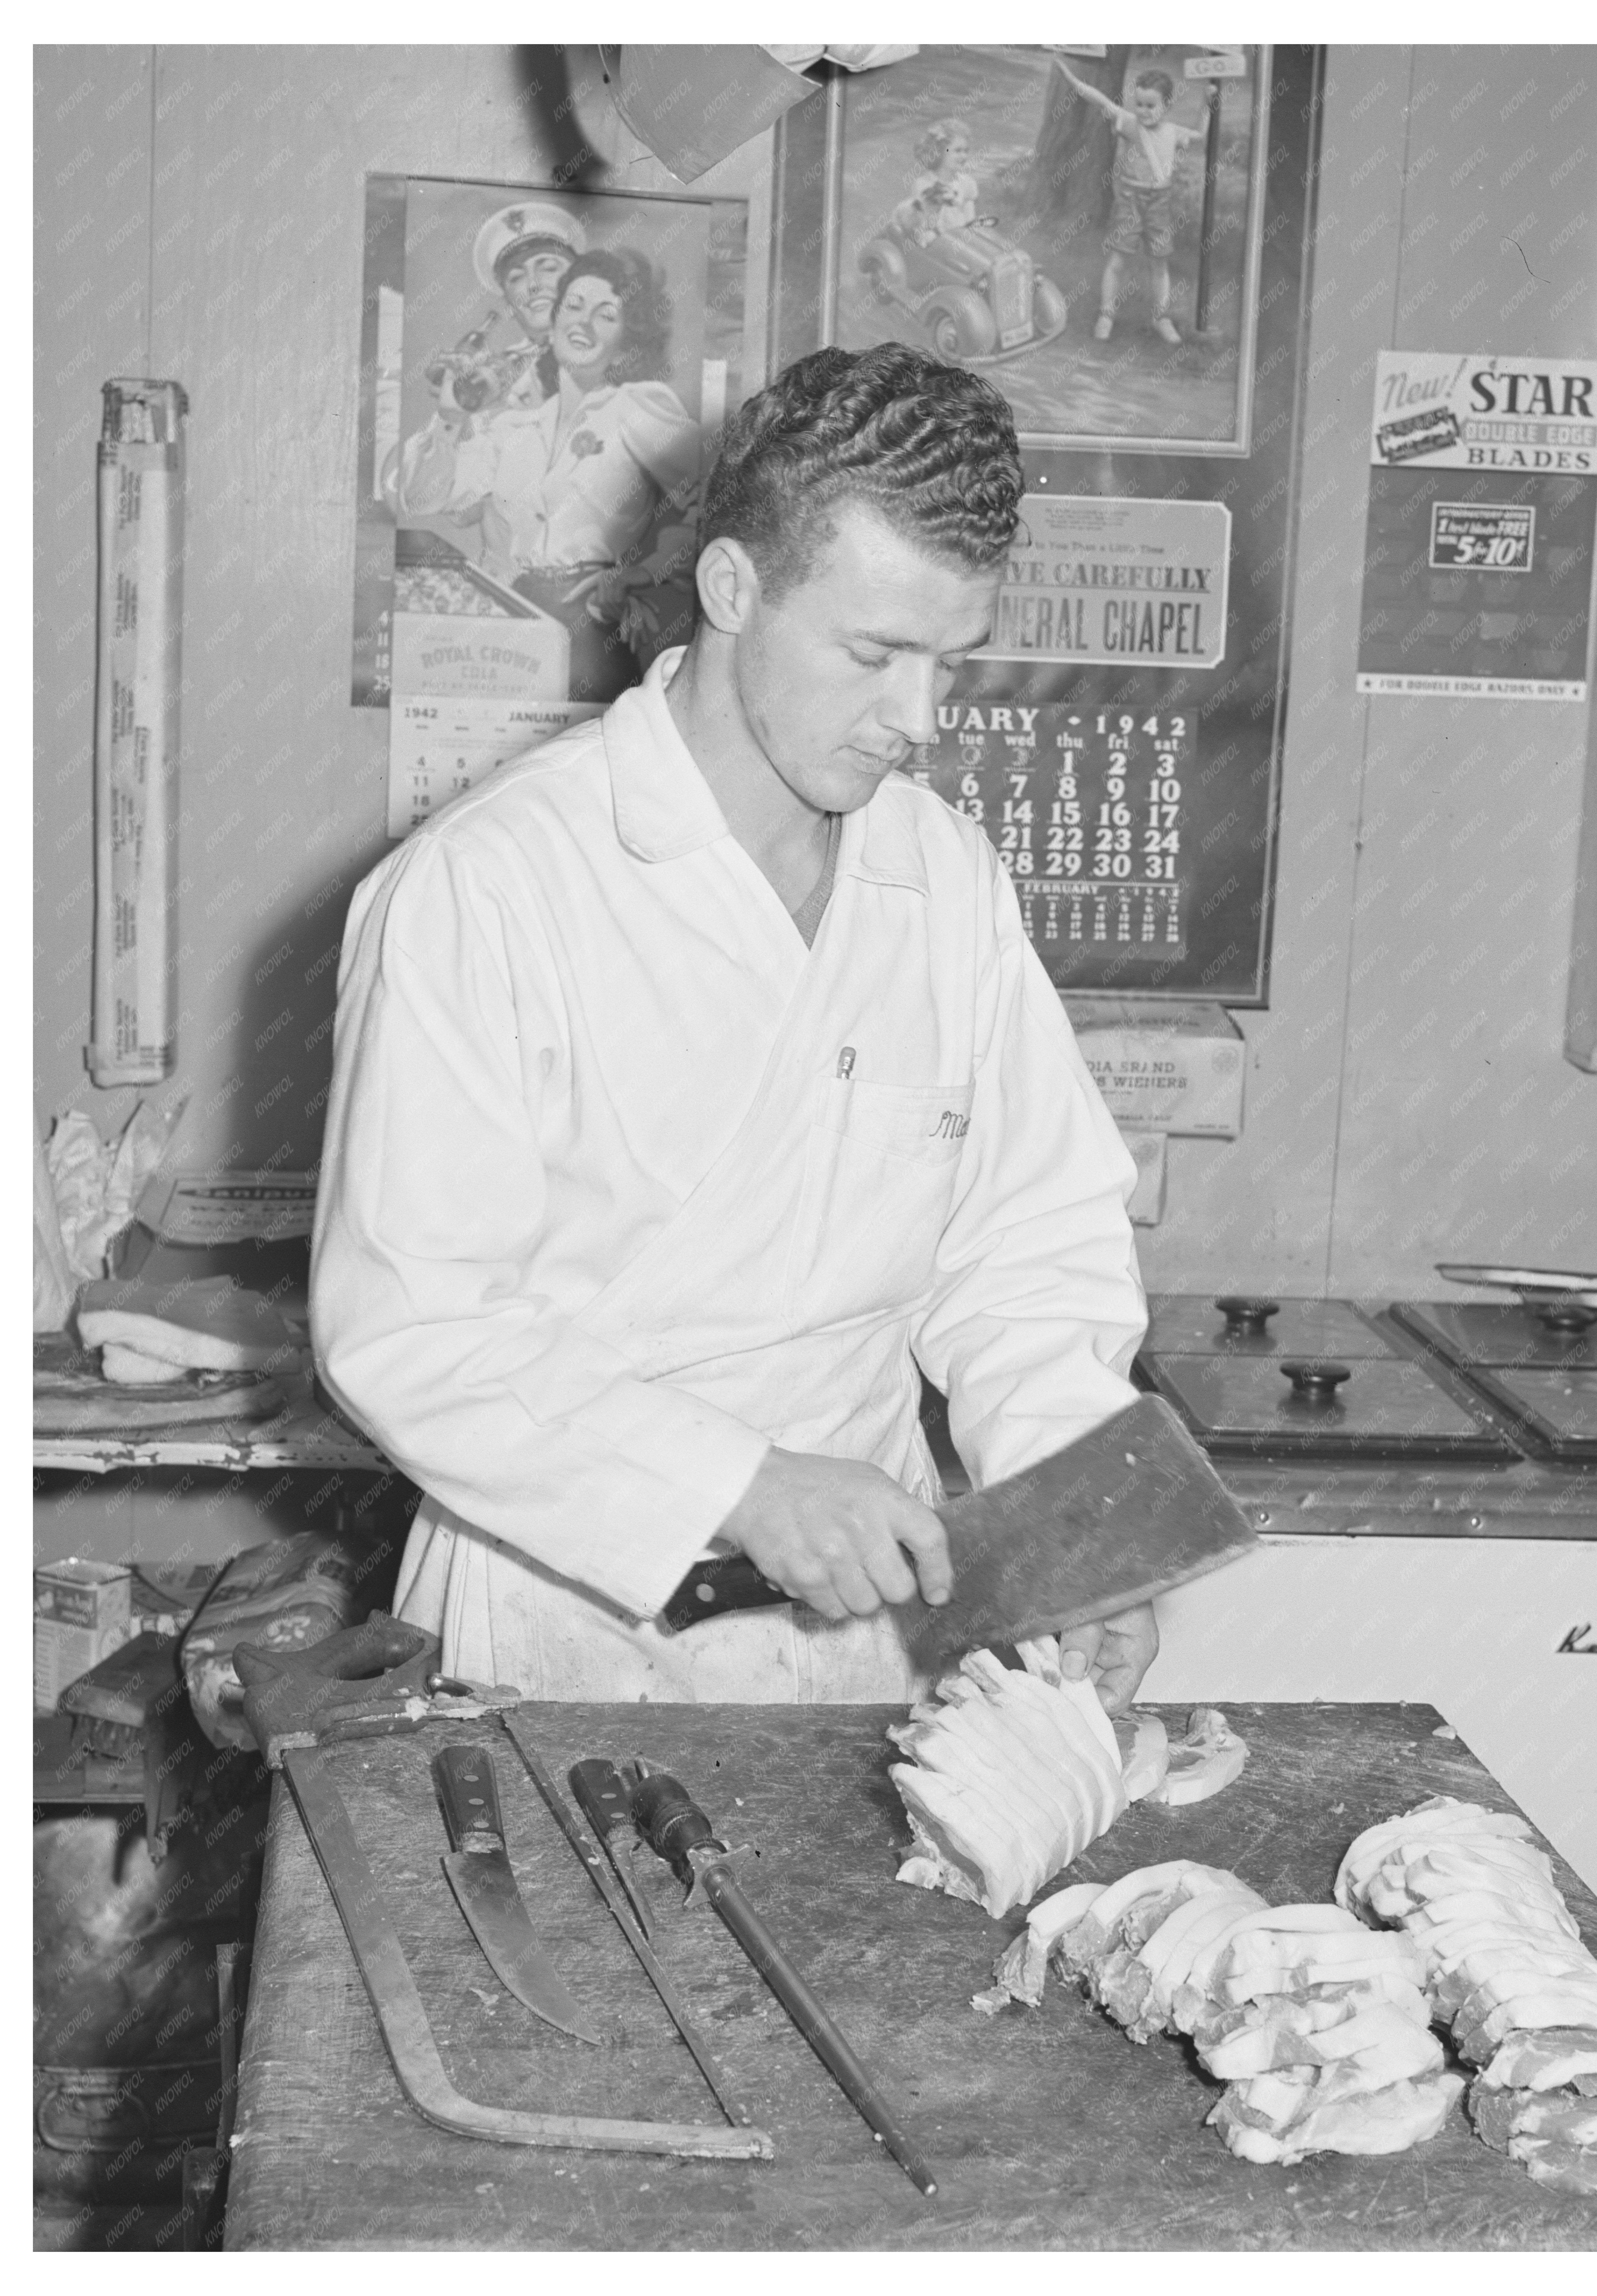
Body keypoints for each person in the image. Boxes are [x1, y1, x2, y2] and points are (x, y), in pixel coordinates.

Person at [313, 341, 1160, 1713]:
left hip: (874, 1637)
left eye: (951, 661)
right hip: (561, 1636)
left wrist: (1085, 1536)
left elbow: (1027, 1254)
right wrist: (739, 1486)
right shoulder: (490, 886)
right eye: (873, 654)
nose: (919, 720)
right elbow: (414, 1331)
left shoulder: (945, 878)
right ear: (729, 587)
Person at [390, 251, 703, 698]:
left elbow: (721, 495)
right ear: (552, 325)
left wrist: (645, 571)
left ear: (626, 343)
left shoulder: (633, 407)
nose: (584, 323)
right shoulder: (510, 428)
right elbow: (421, 499)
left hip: (592, 634)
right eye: (573, 306)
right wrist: (449, 419)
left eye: (606, 315)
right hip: (508, 625)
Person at [1056, 58, 1202, 343]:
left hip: (1159, 202)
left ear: (1167, 105)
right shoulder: (1130, 123)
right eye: (1140, 104)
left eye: (1151, 105)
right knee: (1119, 259)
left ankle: (1161, 317)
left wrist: (1209, 102)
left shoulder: (1173, 132)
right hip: (1130, 199)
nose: (1143, 111)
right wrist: (1071, 79)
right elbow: (1098, 99)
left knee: (1159, 262)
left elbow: (1200, 134)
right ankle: (1106, 314)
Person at [470, 200, 586, 410]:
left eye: (549, 268)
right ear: (509, 304)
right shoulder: (496, 374)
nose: (533, 286)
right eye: (516, 278)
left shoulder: (616, 351)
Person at [893, 117, 983, 245]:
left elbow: (970, 220)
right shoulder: (924, 184)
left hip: (960, 238)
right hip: (935, 239)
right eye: (958, 151)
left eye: (966, 151)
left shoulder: (968, 183)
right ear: (940, 152)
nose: (963, 156)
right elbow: (923, 221)